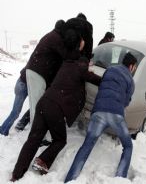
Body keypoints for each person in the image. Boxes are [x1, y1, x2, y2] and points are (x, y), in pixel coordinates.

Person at [10, 21, 101, 182]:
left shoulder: (65, 62)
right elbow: (94, 79)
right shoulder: (80, 66)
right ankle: (42, 161)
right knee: (60, 140)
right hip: (55, 109)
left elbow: (71, 60)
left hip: (44, 103)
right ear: (78, 46)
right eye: (82, 42)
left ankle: (16, 174)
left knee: (33, 138)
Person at [64, 52, 137, 183]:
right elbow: (125, 102)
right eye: (134, 67)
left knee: (87, 145)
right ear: (131, 66)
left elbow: (103, 86)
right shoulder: (130, 81)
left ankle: (70, 179)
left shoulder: (109, 70)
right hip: (116, 115)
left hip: (98, 112)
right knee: (128, 146)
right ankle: (120, 178)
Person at [0, 19, 66, 136]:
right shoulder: (53, 41)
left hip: (20, 82)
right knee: (34, 107)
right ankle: (26, 131)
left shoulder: (37, 56)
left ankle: (4, 129)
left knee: (16, 111)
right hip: (23, 84)